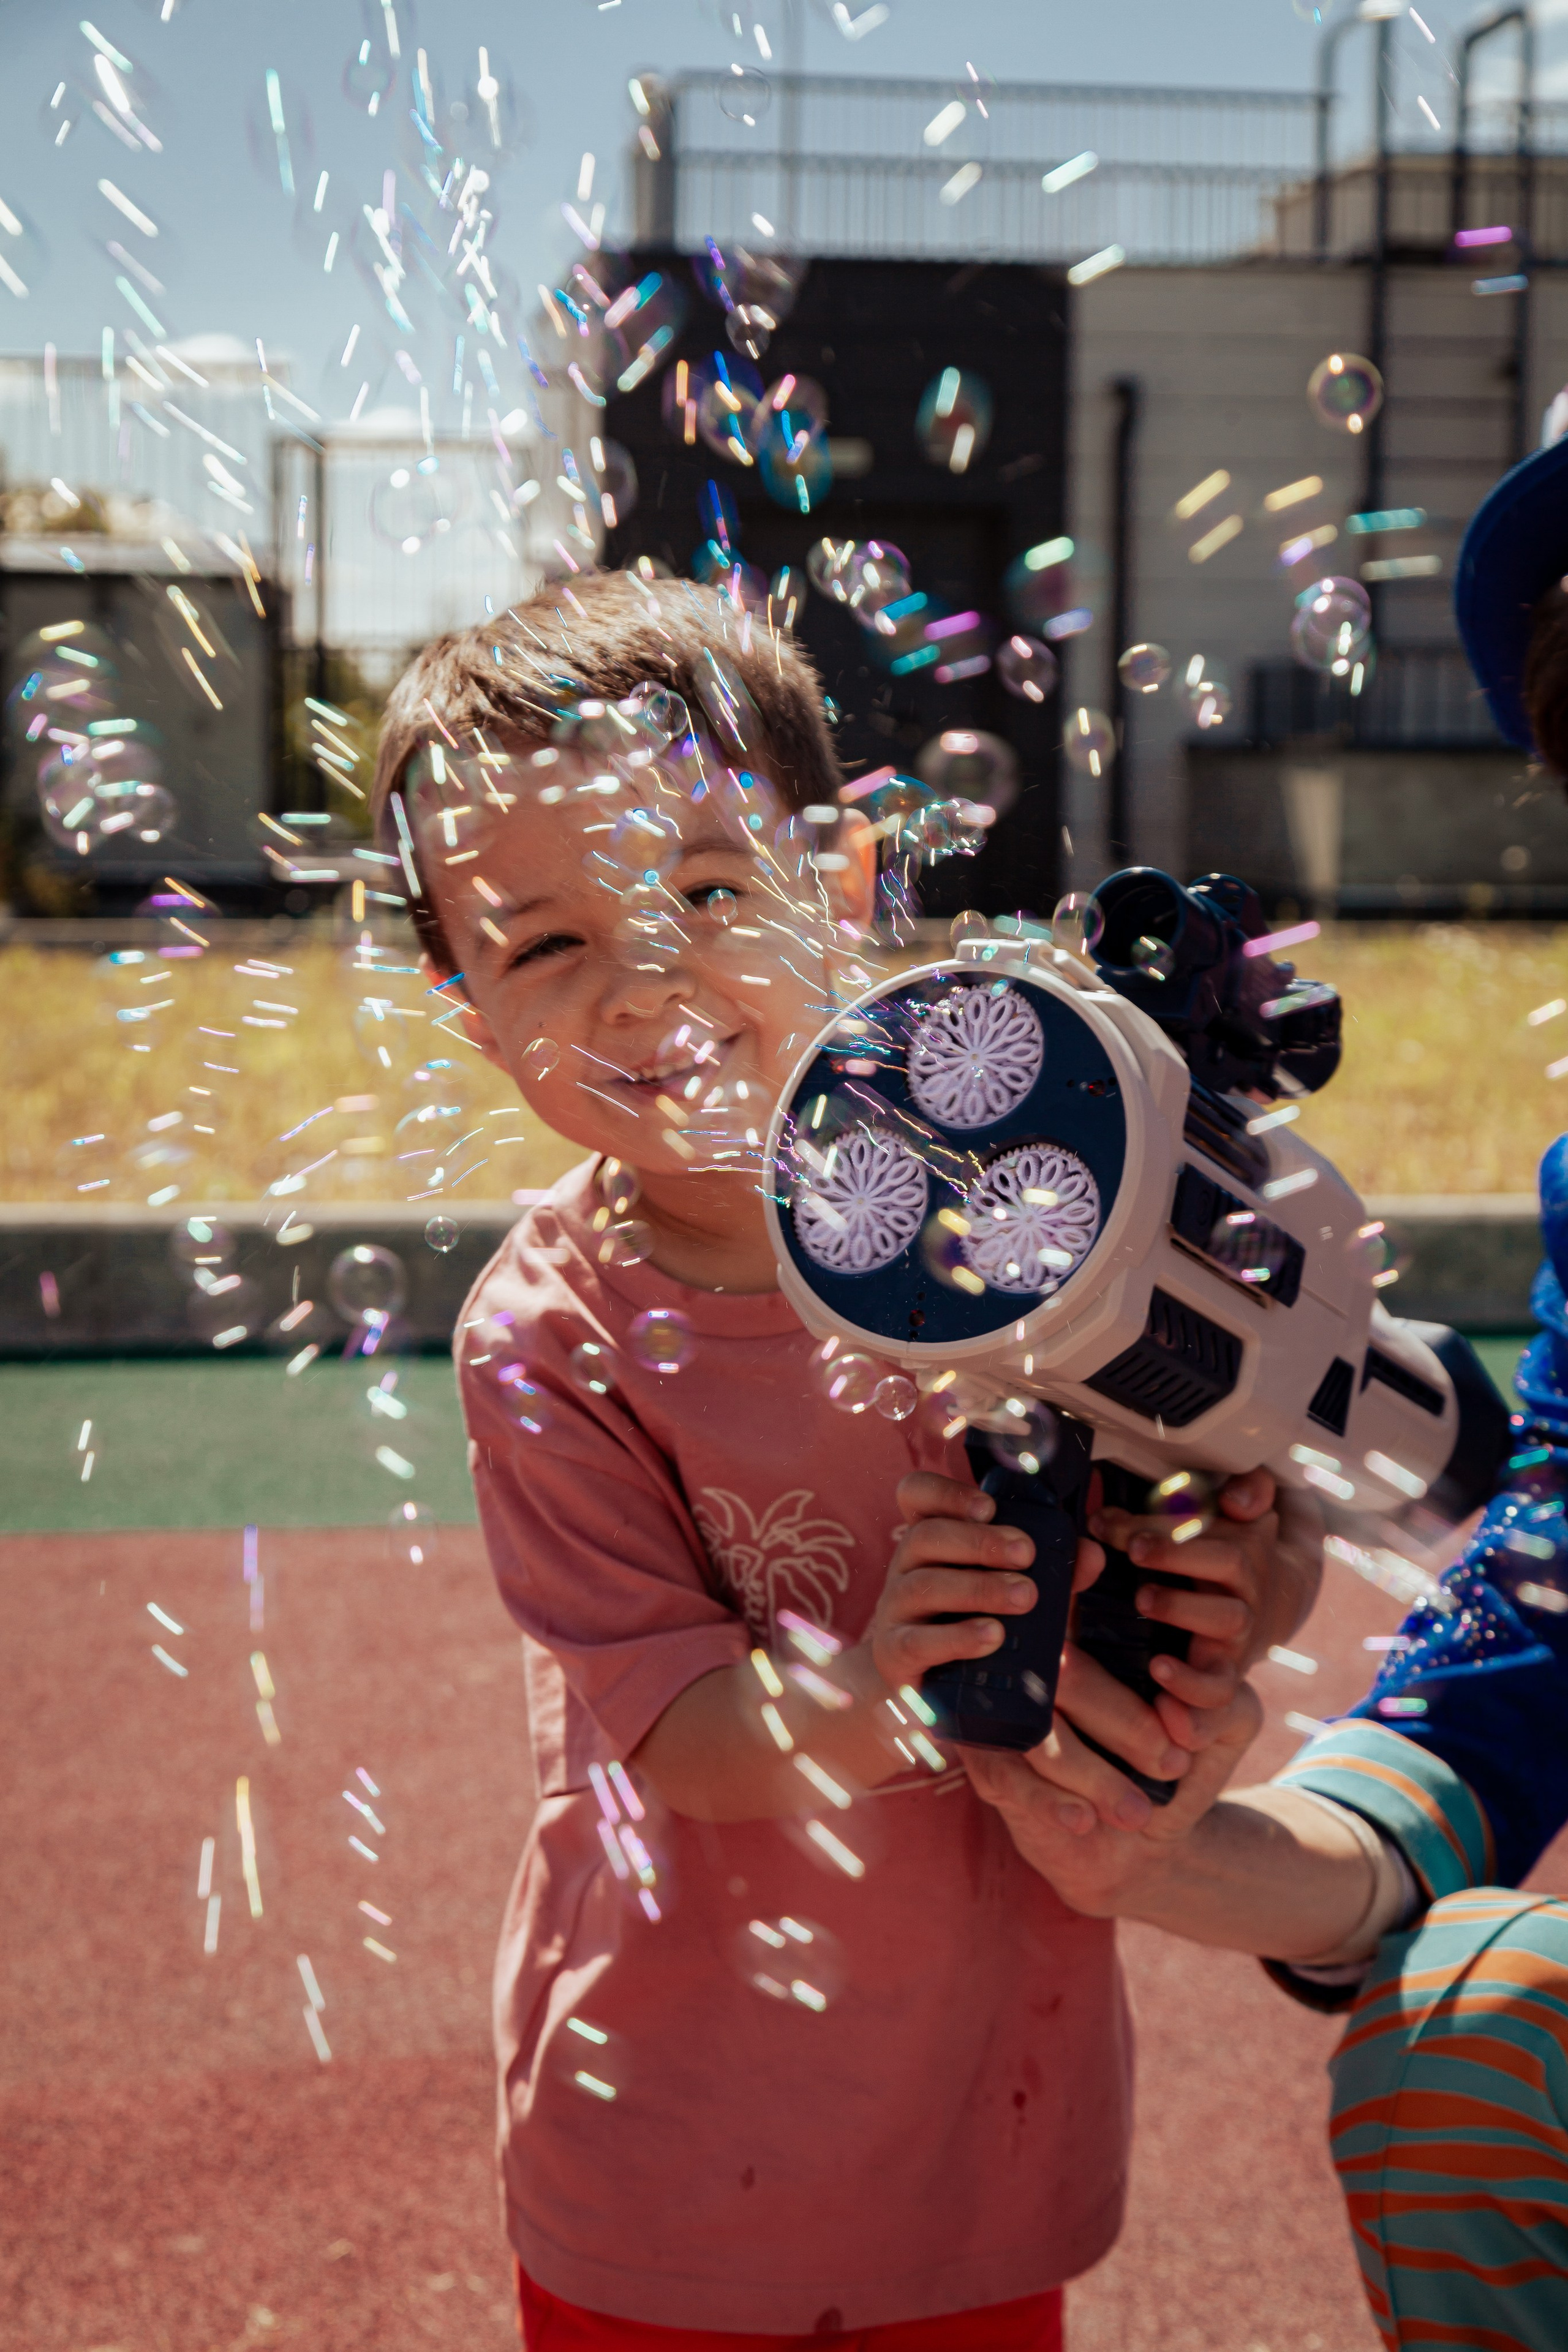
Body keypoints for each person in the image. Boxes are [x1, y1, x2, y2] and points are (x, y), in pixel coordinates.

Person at [366, 570, 1321, 2350]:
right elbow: (682, 1737)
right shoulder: (553, 1334)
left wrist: (1241, 1577)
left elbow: (1238, 1511)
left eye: (711, 888)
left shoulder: (1032, 1206)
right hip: (660, 2143)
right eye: (547, 941)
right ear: (469, 1012)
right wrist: (886, 1690)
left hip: (977, 2135)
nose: (648, 981)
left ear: (852, 885)